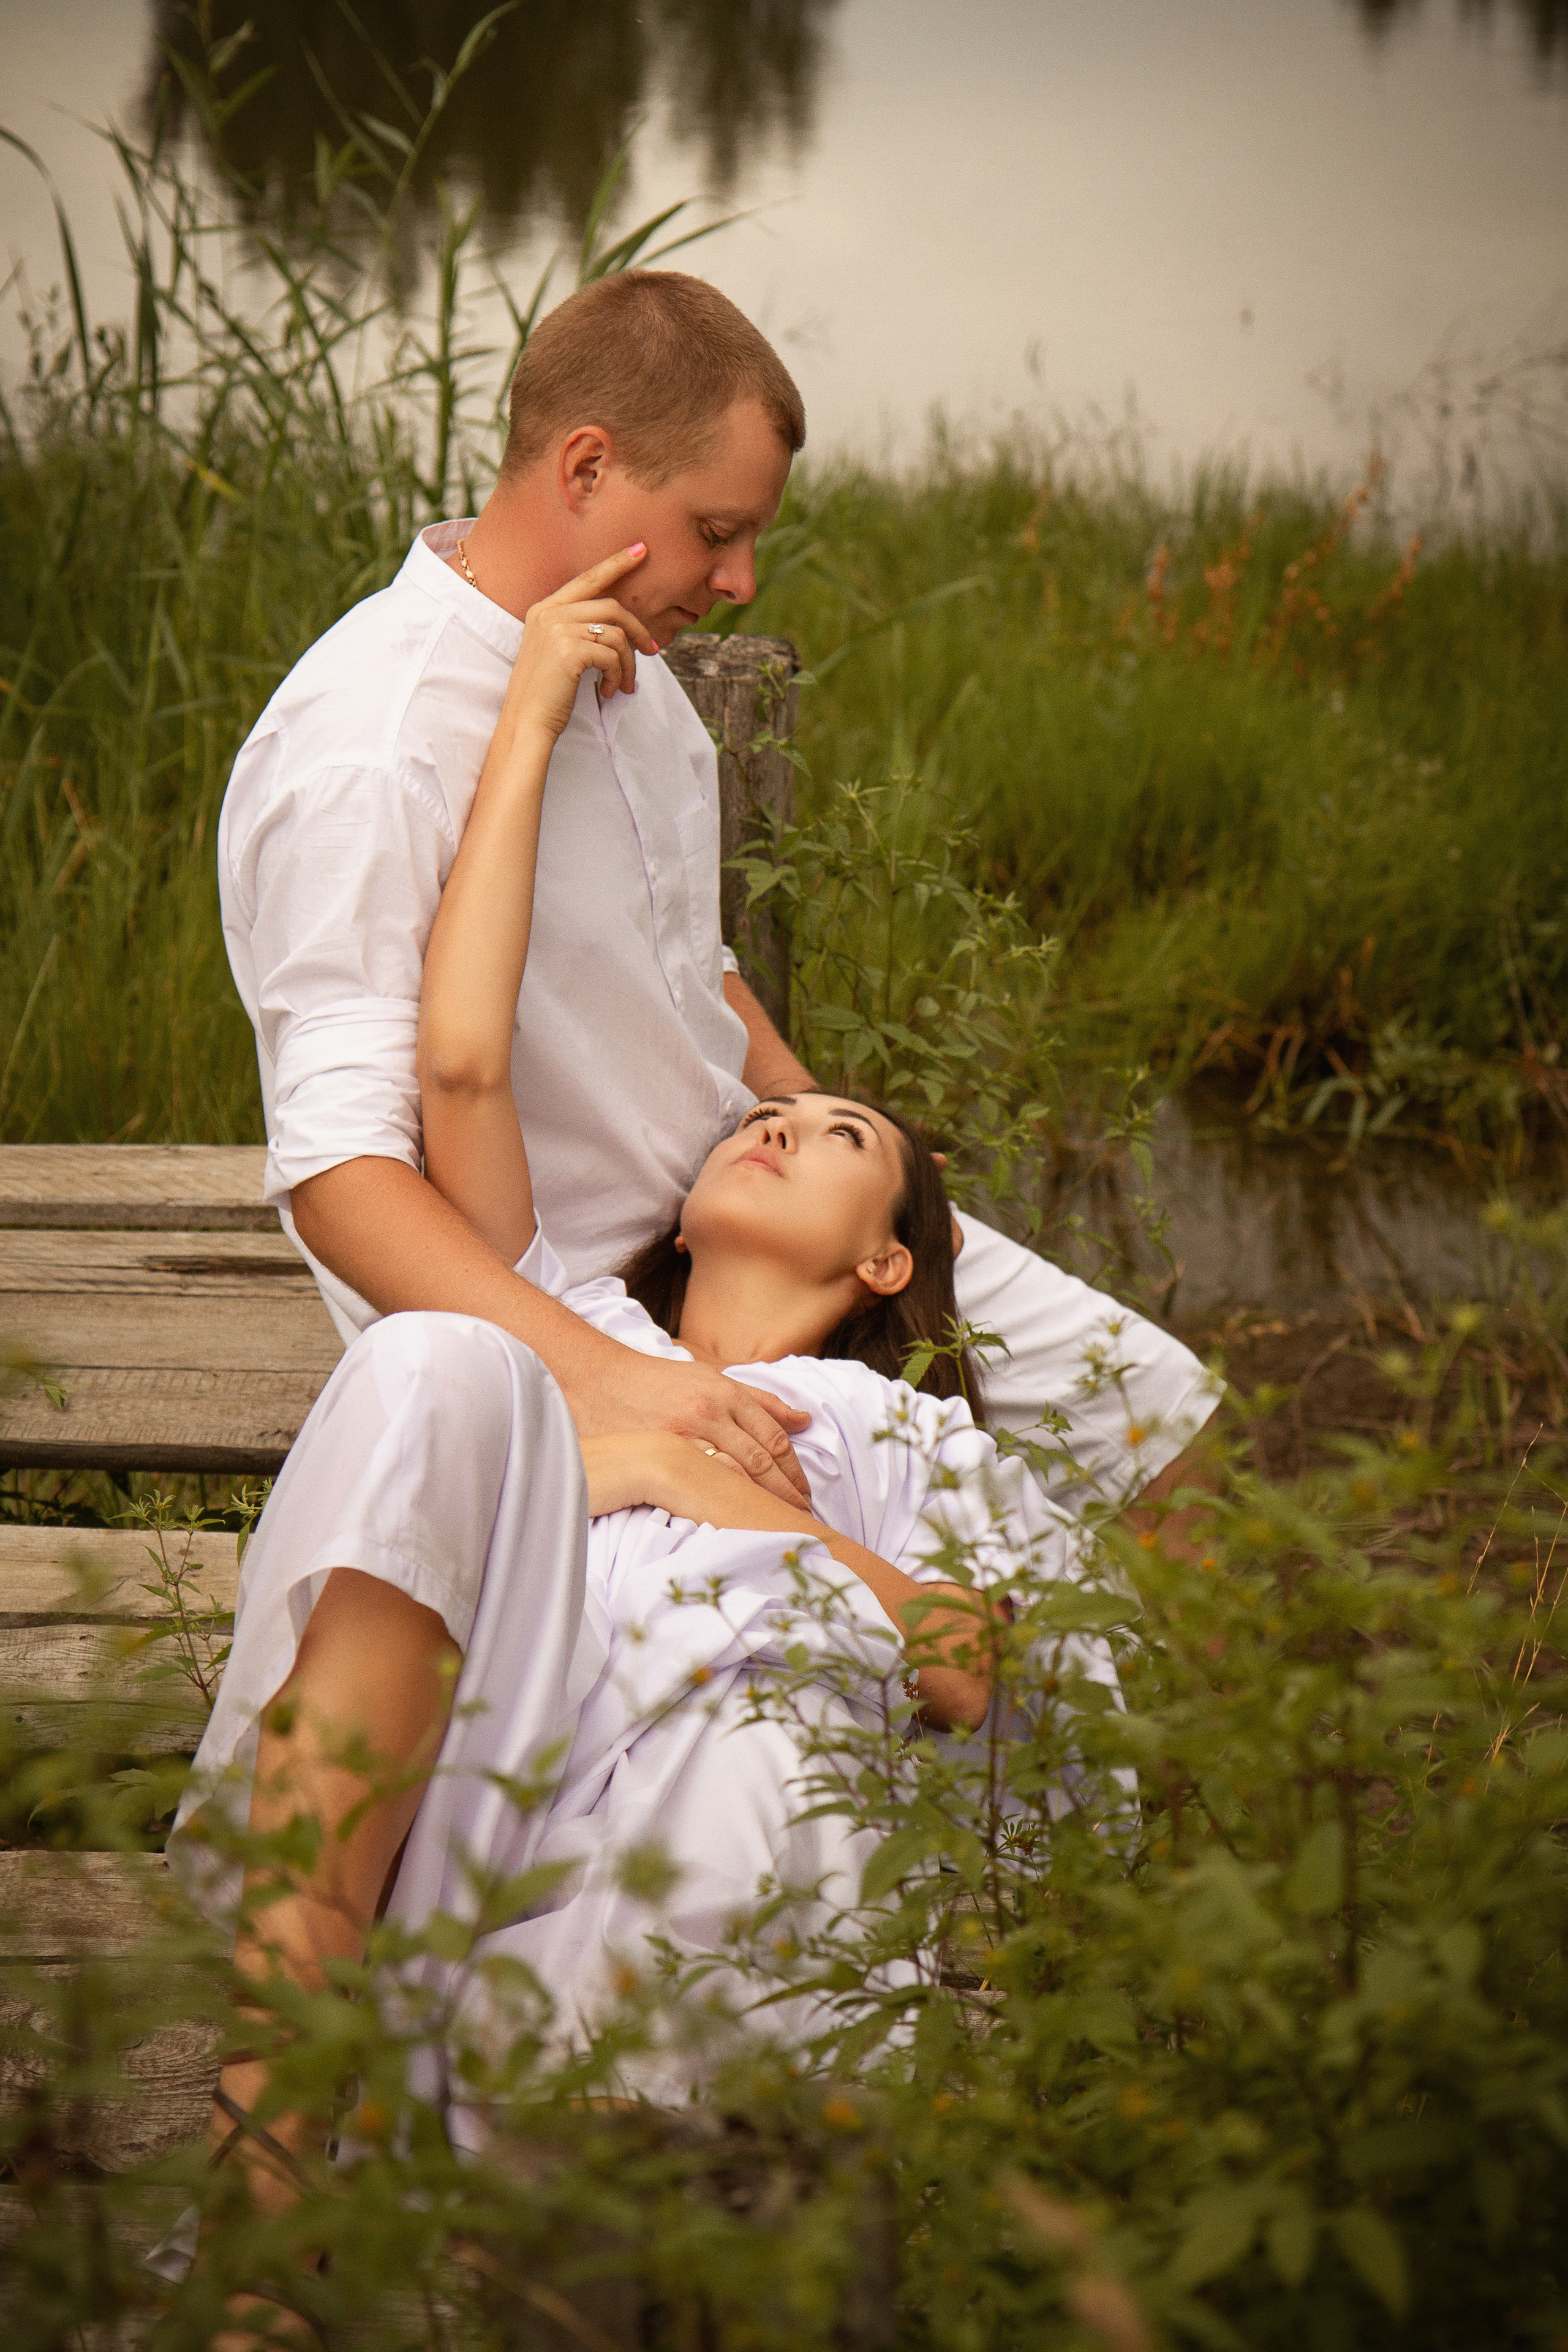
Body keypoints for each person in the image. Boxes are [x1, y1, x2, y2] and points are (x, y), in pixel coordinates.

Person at [170, 606, 1126, 2337]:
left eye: (840, 1135)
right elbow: (454, 1058)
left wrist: (750, 1509)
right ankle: (278, 2187)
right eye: (773, 1108)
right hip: (509, 1869)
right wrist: (526, 713)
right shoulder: (560, 1330)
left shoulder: (900, 1437)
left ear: (889, 1264)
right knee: (431, 1365)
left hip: (745, 1948)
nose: (778, 1117)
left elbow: (980, 1671)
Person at [217, 266, 1218, 1544]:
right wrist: (614, 1377)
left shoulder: (625, 660)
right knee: (837, 1602)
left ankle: (1145, 1735)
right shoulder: (372, 745)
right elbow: (338, 1173)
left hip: (751, 1209)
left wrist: (865, 1157)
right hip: (555, 1302)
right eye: (714, 531)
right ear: (585, 467)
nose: (740, 580)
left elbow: (692, 972)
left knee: (1156, 1426)